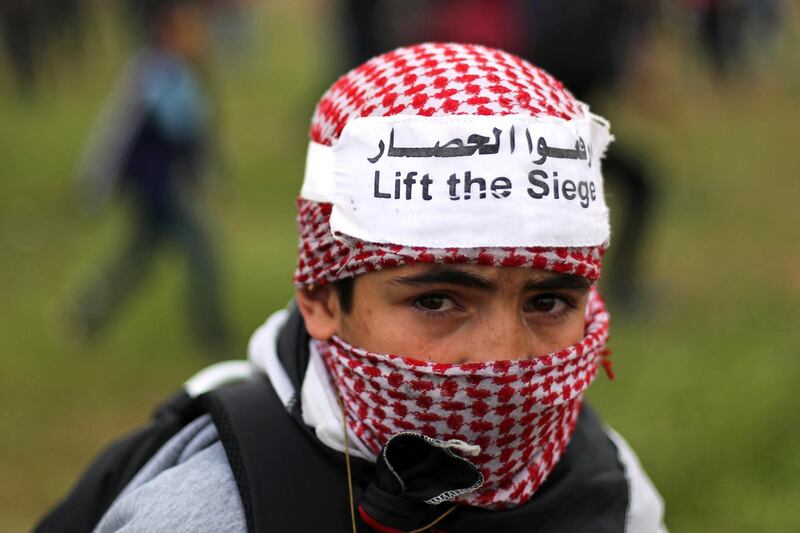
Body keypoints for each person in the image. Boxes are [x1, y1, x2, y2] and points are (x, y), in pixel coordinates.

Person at [43, 43, 666, 532]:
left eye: (548, 301)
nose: (503, 358)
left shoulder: (609, 486)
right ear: (319, 297)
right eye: (437, 301)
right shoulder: (211, 513)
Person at [69, 0, 228, 353]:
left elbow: (193, 135)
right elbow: (117, 134)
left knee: (138, 260)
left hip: (160, 185)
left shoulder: (180, 73)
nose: (197, 37)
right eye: (187, 30)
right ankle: (211, 331)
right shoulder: (154, 75)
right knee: (201, 250)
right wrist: (95, 182)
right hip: (153, 188)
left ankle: (86, 313)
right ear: (168, 33)